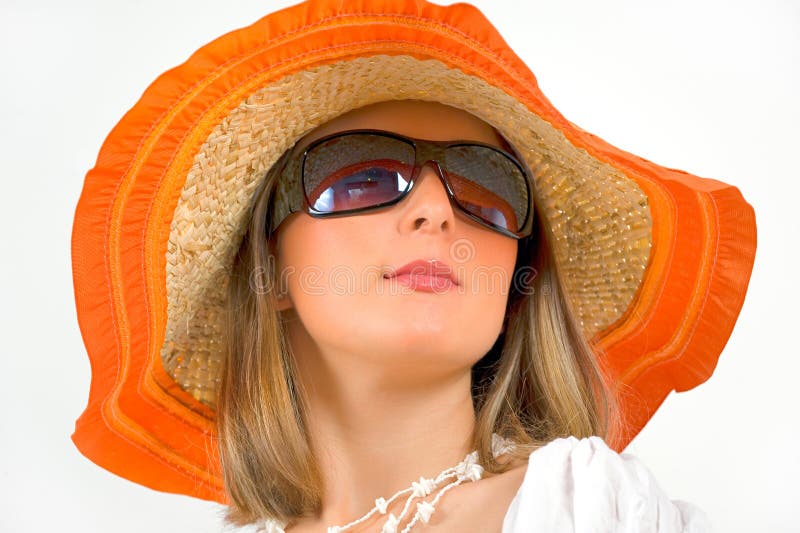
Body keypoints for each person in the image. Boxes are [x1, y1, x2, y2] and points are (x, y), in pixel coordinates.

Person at [70, 1, 757, 531]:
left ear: (516, 286)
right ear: (271, 271)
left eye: (487, 190)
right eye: (362, 177)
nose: (436, 211)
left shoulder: (585, 507)